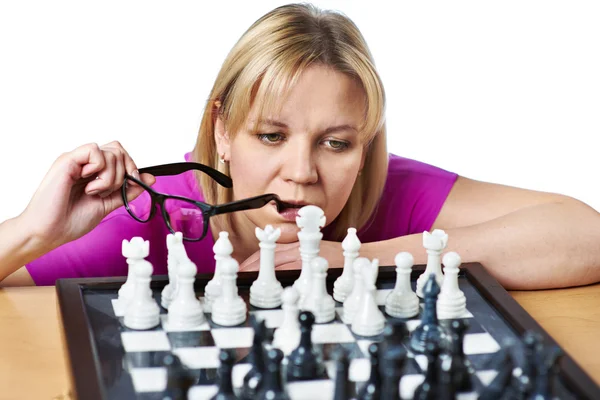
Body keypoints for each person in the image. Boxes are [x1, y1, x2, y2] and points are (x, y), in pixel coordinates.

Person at [1, 3, 599, 290]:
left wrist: (364, 258)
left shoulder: (391, 196)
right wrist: (33, 231)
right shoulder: (145, 220)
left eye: (336, 143)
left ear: (364, 149)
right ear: (222, 133)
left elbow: (586, 236)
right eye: (271, 135)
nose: (303, 172)